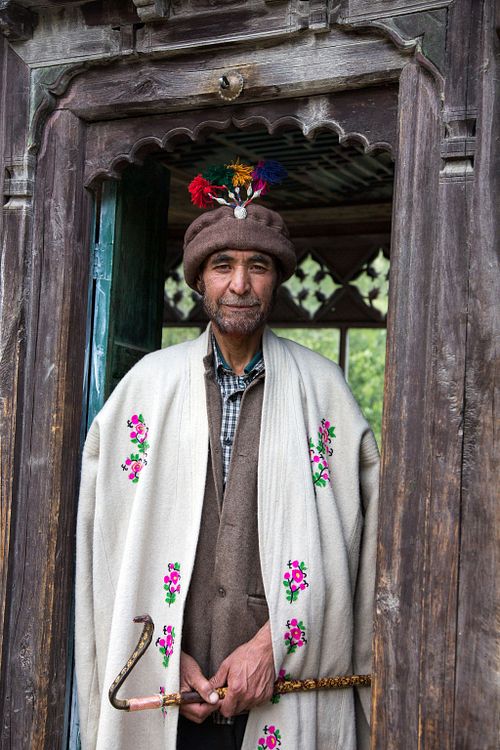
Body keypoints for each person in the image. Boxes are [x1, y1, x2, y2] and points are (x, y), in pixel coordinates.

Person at [75, 163, 379, 750]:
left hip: (287, 693)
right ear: (199, 280)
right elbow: (108, 541)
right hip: (170, 703)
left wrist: (274, 644)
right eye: (223, 266)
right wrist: (163, 657)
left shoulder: (324, 394)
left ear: (277, 279)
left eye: (257, 266)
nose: (240, 284)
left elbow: (354, 546)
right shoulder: (146, 389)